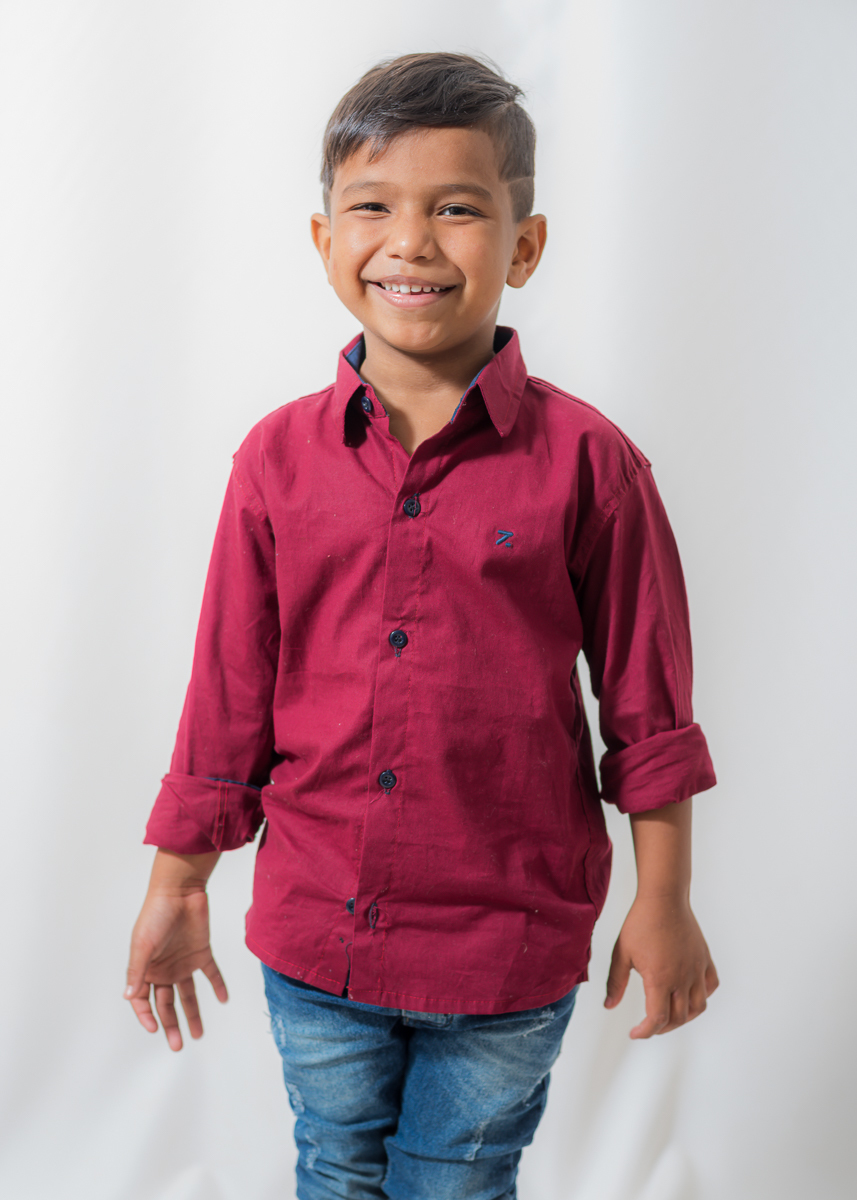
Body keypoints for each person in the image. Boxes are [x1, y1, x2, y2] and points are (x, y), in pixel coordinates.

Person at [125, 52, 719, 1200]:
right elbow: (226, 700)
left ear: (524, 245)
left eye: (456, 208)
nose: (412, 241)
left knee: (455, 1182)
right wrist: (176, 885)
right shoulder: (273, 461)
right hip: (315, 933)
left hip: (507, 948)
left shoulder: (593, 465)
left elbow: (646, 705)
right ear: (321, 240)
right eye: (374, 207)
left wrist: (663, 898)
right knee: (335, 1171)